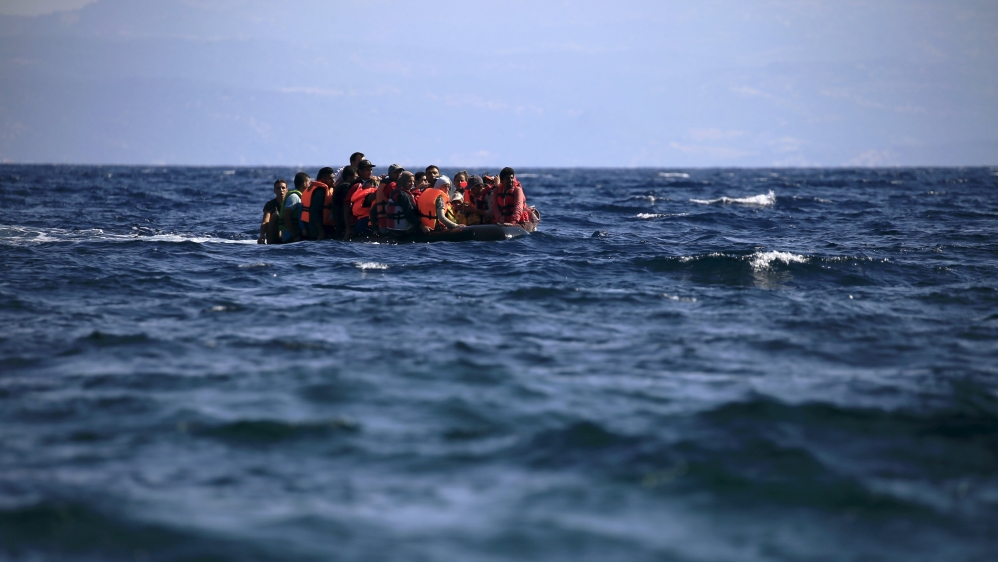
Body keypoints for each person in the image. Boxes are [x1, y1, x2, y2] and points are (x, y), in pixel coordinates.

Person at [492, 167, 539, 231]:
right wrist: (501, 221)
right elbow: (495, 208)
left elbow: (518, 208)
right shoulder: (496, 191)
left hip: (521, 222)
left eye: (512, 178)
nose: (510, 180)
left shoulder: (517, 190)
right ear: (502, 180)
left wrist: (512, 223)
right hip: (503, 222)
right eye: (508, 178)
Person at [343, 159, 376, 240]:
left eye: (371, 169)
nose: (370, 172)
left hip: (369, 218)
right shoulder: (357, 185)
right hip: (359, 220)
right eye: (367, 170)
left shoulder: (371, 183)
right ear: (360, 171)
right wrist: (348, 228)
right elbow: (347, 205)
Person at [300, 167, 335, 240]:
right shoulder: (320, 192)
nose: (333, 181)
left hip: (317, 228)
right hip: (318, 231)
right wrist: (321, 231)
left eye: (333, 178)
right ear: (322, 179)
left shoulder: (322, 189)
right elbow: (315, 212)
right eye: (330, 179)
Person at [383, 171, 421, 240]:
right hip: (404, 231)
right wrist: (421, 225)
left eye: (413, 181)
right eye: (409, 181)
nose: (412, 184)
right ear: (403, 181)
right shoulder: (403, 195)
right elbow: (409, 213)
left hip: (393, 230)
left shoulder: (395, 192)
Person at [374, 164, 404, 234]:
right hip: (389, 223)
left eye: (400, 172)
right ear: (390, 174)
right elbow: (401, 198)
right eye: (395, 172)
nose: (399, 174)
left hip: (383, 222)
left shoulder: (383, 183)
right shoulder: (391, 185)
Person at [281, 172, 309, 243]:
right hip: (290, 237)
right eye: (309, 183)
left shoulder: (301, 196)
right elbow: (286, 216)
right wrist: (294, 235)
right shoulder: (294, 197)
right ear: (304, 184)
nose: (310, 185)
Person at [258, 179, 288, 244]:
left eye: (283, 188)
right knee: (275, 215)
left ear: (287, 190)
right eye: (278, 188)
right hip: (273, 234)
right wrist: (262, 235)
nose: (281, 190)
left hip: (287, 232)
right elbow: (265, 221)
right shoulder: (270, 204)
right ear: (275, 190)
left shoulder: (290, 203)